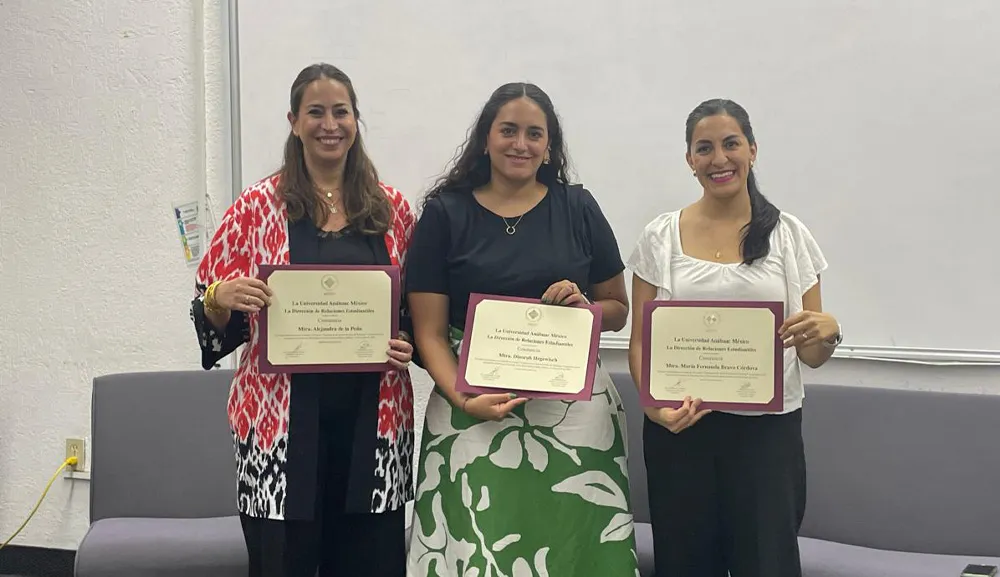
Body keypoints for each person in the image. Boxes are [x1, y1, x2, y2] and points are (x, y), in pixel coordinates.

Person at [190, 63, 417, 577]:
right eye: (316, 112)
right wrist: (220, 296)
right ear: (294, 121)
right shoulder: (254, 206)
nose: (329, 124)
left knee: (370, 562)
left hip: (374, 423)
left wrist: (407, 342)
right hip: (277, 427)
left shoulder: (393, 209)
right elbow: (208, 304)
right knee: (282, 563)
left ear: (356, 120)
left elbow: (413, 312)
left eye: (341, 112)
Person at [403, 82, 639, 576]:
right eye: (508, 130)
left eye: (535, 134)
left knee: (573, 548)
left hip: (575, 419)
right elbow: (428, 331)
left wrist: (586, 309)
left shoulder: (579, 207)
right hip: (471, 412)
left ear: (549, 146)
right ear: (485, 138)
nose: (521, 144)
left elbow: (617, 307)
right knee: (476, 548)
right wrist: (465, 400)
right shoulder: (445, 212)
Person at [626, 98, 843, 577]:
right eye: (704, 148)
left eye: (730, 144)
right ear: (689, 160)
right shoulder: (660, 237)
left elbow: (811, 353)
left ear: (752, 150)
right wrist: (652, 408)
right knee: (684, 563)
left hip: (766, 435)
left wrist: (829, 333)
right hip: (681, 429)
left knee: (767, 562)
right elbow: (642, 341)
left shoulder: (789, 235)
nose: (718, 158)